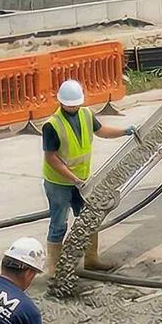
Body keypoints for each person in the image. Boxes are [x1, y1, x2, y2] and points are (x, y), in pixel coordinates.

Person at [42, 78, 135, 275]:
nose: (75, 107)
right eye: (71, 104)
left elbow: (101, 130)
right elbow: (52, 159)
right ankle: (54, 270)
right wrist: (72, 179)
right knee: (59, 224)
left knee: (89, 218)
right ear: (61, 102)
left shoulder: (85, 114)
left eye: (77, 103)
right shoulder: (52, 125)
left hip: (82, 182)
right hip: (59, 182)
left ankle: (91, 259)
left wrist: (123, 132)